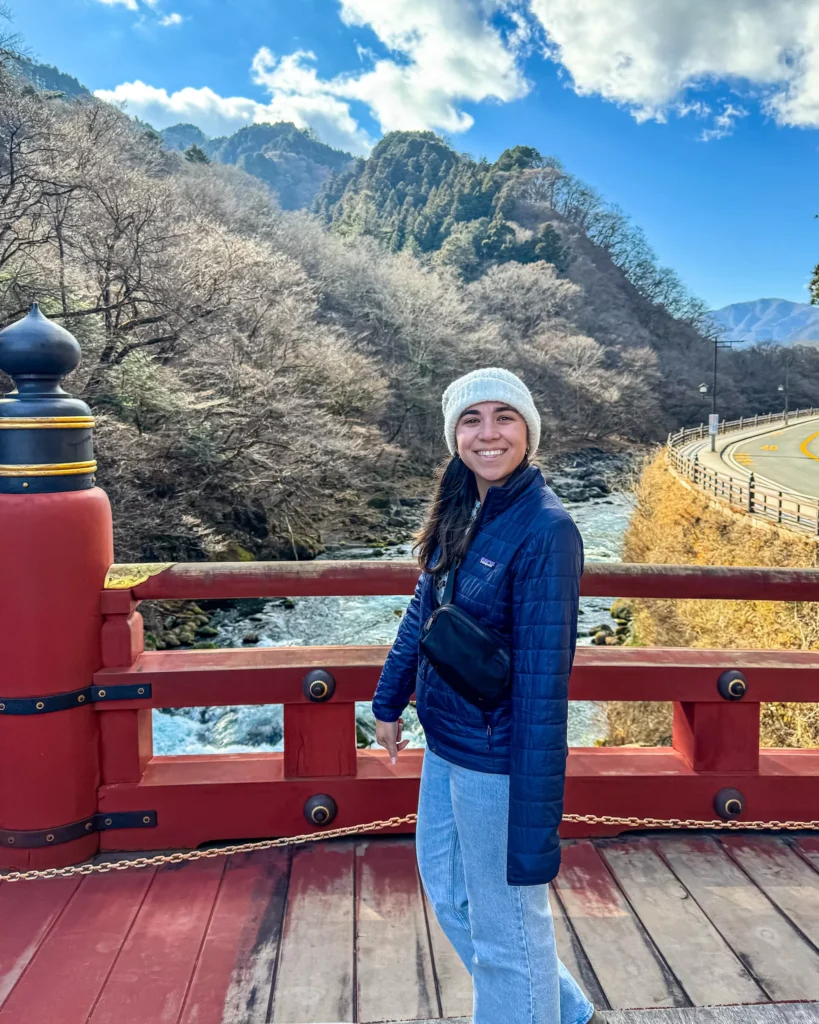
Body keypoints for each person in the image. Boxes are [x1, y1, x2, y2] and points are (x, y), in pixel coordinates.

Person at [371, 367, 598, 1024]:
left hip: (496, 755)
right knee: (449, 892)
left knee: (506, 926)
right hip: (448, 740)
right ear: (453, 435)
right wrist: (388, 700)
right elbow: (425, 610)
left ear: (528, 428)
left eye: (504, 416)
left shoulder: (545, 529)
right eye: (471, 419)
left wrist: (533, 817)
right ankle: (564, 1009)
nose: (488, 432)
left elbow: (541, 688)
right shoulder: (461, 506)